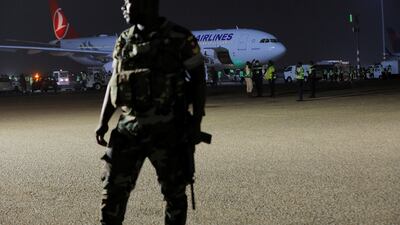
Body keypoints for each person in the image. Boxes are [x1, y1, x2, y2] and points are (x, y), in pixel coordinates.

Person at [95, 0, 206, 224]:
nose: (123, 8)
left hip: (169, 130)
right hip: (129, 129)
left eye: (128, 2)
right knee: (113, 193)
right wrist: (103, 121)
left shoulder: (179, 37)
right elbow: (114, 82)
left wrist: (196, 123)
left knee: (174, 195)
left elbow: (198, 80)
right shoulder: (124, 40)